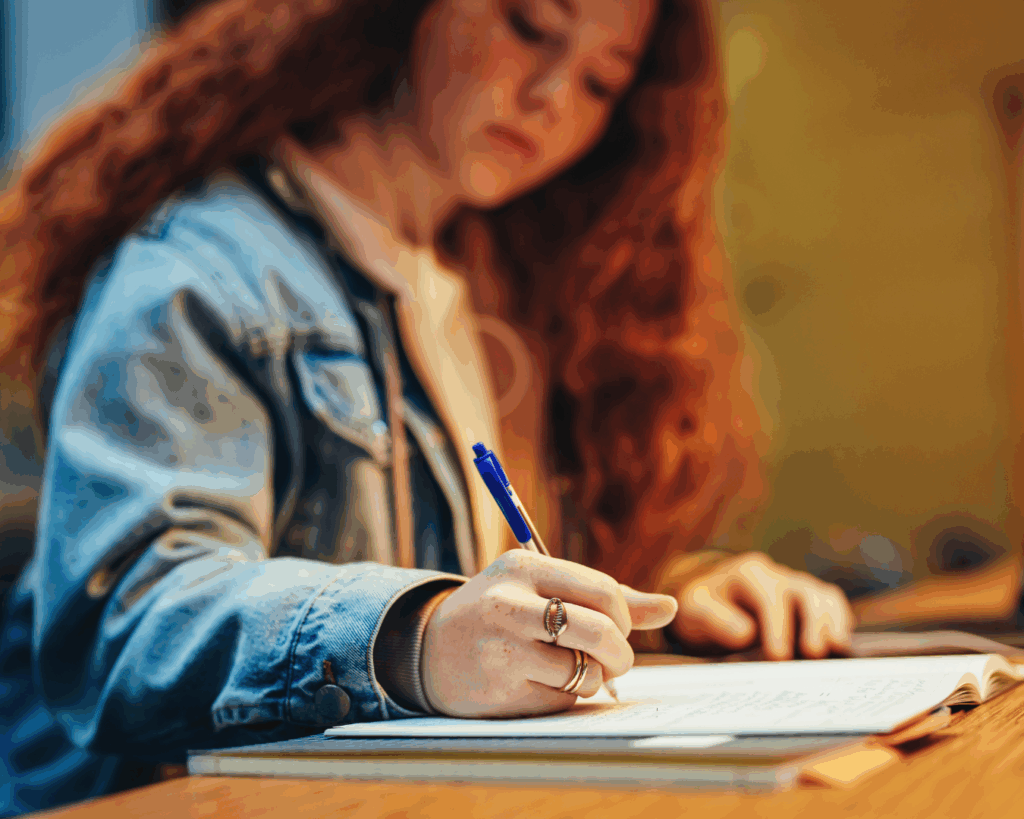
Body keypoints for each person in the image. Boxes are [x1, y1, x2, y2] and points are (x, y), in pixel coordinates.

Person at [0, 0, 854, 813]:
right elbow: (124, 629)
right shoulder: (201, 269)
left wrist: (668, 594)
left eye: (603, 80)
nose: (551, 98)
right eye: (530, 26)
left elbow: (501, 564)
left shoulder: (501, 279)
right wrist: (422, 636)